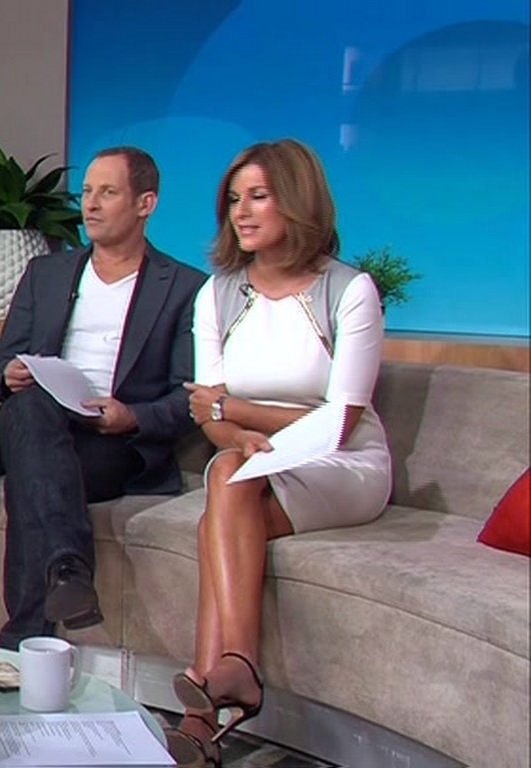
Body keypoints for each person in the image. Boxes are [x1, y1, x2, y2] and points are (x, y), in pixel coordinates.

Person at [167, 139, 391, 767]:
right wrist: (233, 432)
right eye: (234, 200)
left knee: (221, 509)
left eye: (258, 196)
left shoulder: (349, 291)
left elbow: (341, 420)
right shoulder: (217, 295)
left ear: (297, 199)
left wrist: (234, 410)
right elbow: (205, 414)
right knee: (227, 482)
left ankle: (212, 698)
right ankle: (229, 680)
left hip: (342, 463)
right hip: (251, 460)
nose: (241, 211)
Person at [0, 147, 207, 651]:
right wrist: (10, 374)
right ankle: (68, 568)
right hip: (40, 419)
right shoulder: (46, 274)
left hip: (113, 442)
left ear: (146, 203)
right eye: (86, 192)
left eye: (108, 192)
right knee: (29, 411)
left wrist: (132, 417)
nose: (91, 204)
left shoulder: (185, 288)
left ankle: (21, 644)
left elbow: (188, 397)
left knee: (31, 476)